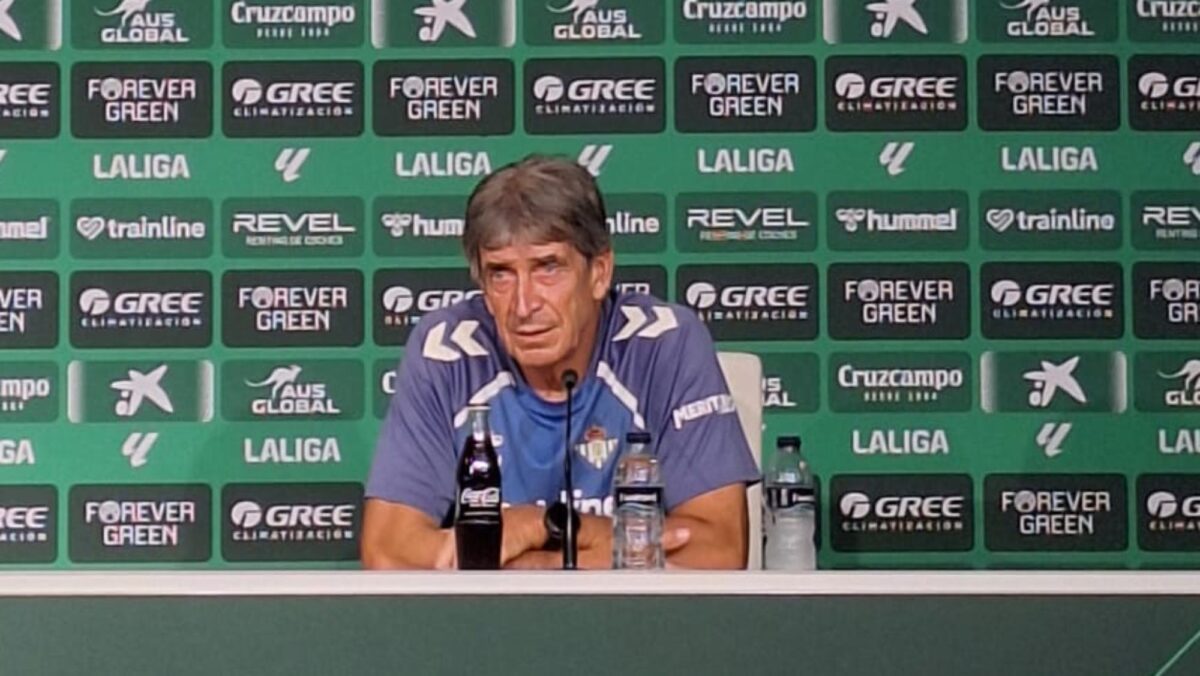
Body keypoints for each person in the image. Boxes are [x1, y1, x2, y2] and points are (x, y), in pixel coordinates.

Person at [361, 154, 759, 570]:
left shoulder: (665, 343)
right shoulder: (447, 350)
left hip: (628, 612)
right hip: (492, 614)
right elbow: (388, 553)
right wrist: (617, 547)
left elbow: (717, 549)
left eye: (548, 268)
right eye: (501, 274)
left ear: (599, 272)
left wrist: (545, 530)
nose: (523, 305)